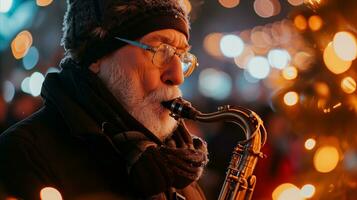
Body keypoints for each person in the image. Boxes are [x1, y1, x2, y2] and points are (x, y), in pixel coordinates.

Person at [0, 0, 208, 199]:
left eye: (181, 56)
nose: (177, 76)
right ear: (96, 56)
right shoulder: (24, 152)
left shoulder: (175, 162)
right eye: (161, 51)